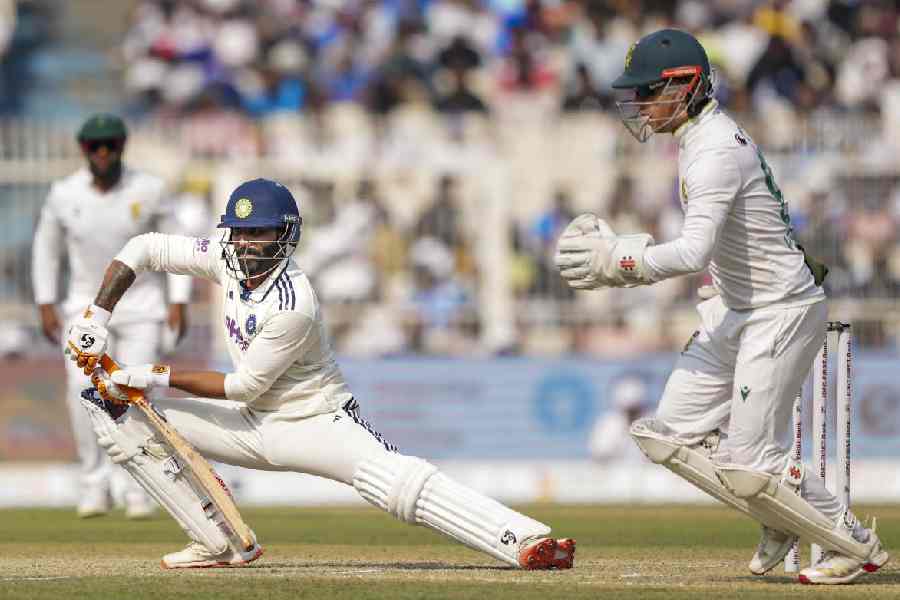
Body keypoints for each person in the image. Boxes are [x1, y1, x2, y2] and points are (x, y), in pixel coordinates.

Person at [65, 178, 576, 570]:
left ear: (286, 235)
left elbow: (243, 384)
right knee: (111, 407)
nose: (244, 245)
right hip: (246, 421)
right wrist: (96, 317)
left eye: (257, 233)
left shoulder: (295, 303)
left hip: (313, 420)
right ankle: (216, 541)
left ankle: (526, 541)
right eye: (238, 233)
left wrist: (151, 374)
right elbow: (145, 247)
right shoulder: (223, 255)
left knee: (394, 483)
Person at [553, 29, 887, 585]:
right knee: (662, 436)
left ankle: (855, 545)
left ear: (684, 86)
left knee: (751, 464)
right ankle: (777, 514)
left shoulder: (714, 152)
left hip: (781, 310)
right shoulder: (696, 141)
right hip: (735, 308)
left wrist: (619, 262)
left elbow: (692, 251)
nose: (637, 105)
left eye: (647, 92)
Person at [32, 113, 190, 519]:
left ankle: (138, 486)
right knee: (80, 392)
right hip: (83, 306)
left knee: (136, 392)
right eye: (94, 146)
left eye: (111, 144)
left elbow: (176, 247)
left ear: (123, 145)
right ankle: (94, 483)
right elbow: (46, 250)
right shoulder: (64, 193)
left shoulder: (150, 188)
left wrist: (180, 299)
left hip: (141, 306)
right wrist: (46, 300)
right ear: (83, 149)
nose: (103, 152)